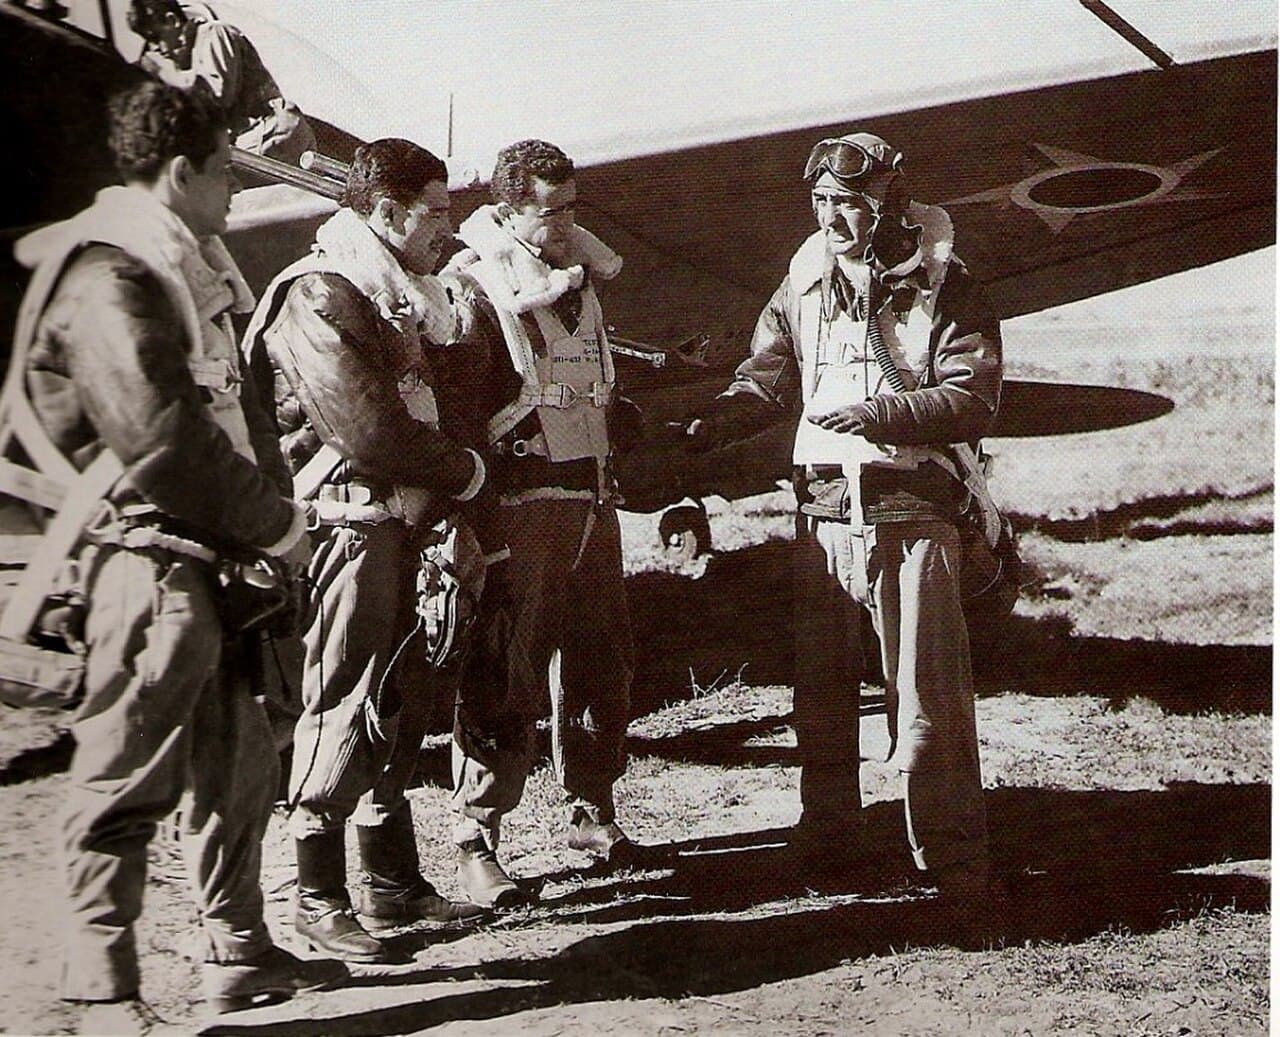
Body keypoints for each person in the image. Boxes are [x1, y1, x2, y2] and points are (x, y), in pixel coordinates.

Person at [12, 81, 345, 1034]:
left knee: (236, 769)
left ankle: (236, 951)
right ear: (182, 170)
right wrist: (279, 525)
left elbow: (221, 412)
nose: (238, 190)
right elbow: (159, 436)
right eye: (228, 171)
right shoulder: (109, 275)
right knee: (121, 784)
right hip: (143, 568)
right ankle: (101, 999)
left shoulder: (174, 264)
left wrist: (263, 525)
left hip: (206, 564)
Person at [684, 132, 1003, 935]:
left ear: (890, 201)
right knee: (820, 695)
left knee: (927, 695)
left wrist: (879, 415)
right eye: (822, 202)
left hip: (911, 510)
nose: (832, 216)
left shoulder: (946, 282)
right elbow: (769, 370)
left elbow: (973, 396)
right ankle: (828, 837)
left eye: (850, 203)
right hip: (824, 513)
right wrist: (715, 418)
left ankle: (951, 857)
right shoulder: (803, 277)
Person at [242, 137, 502, 964]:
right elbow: (367, 428)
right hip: (348, 527)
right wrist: (464, 472)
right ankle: (317, 895)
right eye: (435, 211)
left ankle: (392, 882)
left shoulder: (402, 291)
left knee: (401, 696)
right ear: (386, 210)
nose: (447, 228)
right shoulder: (320, 293)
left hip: (401, 522)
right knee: (343, 697)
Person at [444, 138, 645, 910]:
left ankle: (593, 807)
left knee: (603, 661)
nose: (563, 224)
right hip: (524, 504)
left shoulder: (582, 282)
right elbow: (464, 409)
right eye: (547, 210)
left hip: (592, 498)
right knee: (506, 669)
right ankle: (475, 835)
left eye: (570, 208)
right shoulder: (477, 288)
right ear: (507, 208)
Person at [126, 0, 315, 164]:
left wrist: (164, 72)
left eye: (155, 38)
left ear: (172, 21)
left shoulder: (214, 34)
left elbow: (216, 100)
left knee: (204, 174)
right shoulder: (183, 61)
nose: (155, 49)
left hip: (271, 132)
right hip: (251, 142)